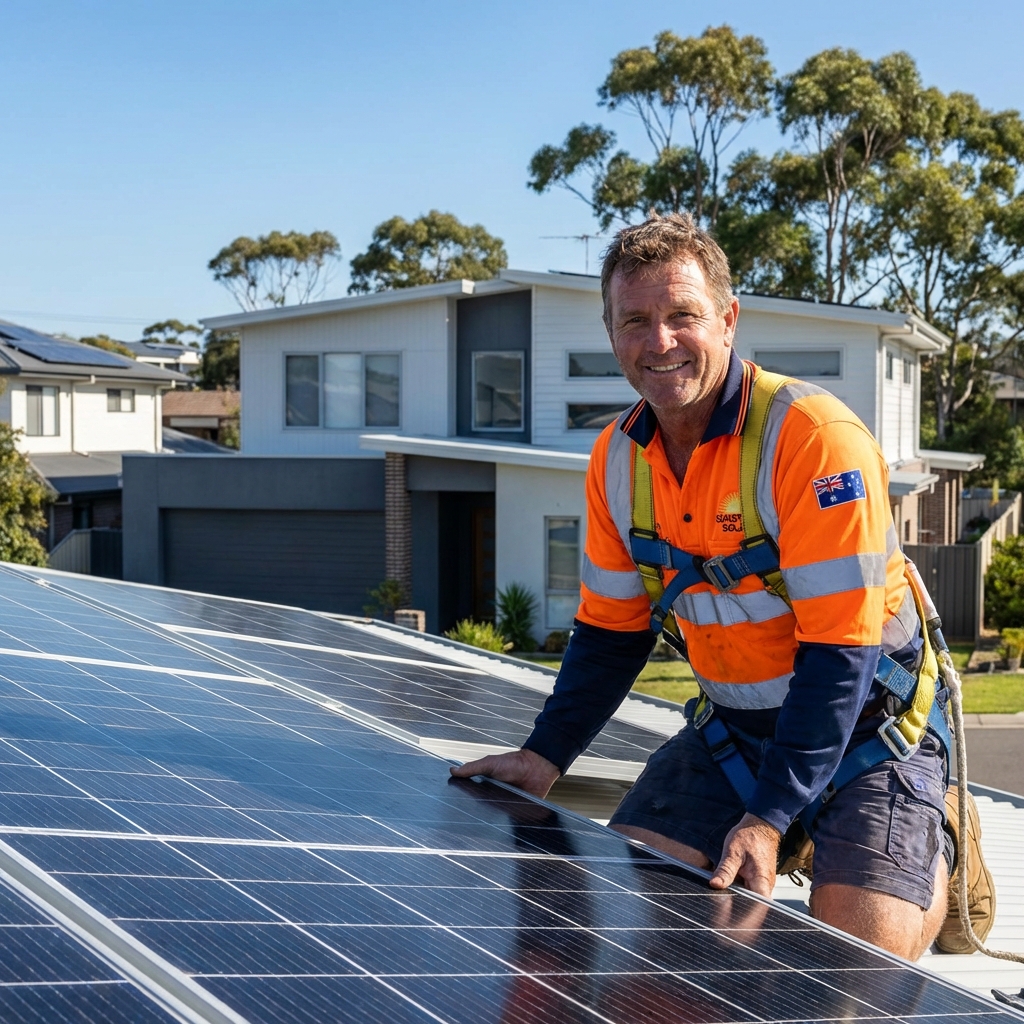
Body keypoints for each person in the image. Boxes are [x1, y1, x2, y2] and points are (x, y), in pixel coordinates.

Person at [452, 213, 993, 960]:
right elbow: (611, 634)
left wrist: (768, 818)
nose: (659, 341)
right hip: (735, 735)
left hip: (870, 730)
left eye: (683, 316)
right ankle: (791, 823)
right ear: (610, 330)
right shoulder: (615, 458)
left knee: (856, 971)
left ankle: (937, 837)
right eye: (635, 320)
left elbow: (840, 654)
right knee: (651, 922)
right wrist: (543, 758)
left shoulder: (813, 441)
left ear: (729, 319)